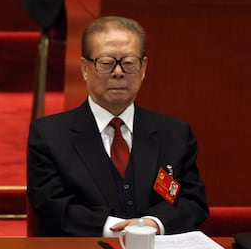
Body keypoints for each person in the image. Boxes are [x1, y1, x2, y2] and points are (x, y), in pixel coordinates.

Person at [27, 16, 208, 236]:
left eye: (129, 63)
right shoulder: (49, 136)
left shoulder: (176, 134)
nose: (119, 72)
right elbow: (50, 206)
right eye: (106, 63)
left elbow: (192, 202)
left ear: (143, 68)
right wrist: (114, 230)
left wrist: (152, 225)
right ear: (85, 68)